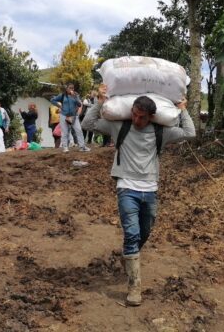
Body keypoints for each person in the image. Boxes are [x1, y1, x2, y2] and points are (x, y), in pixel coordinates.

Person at [82, 84, 196, 306]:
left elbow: (190, 134)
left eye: (141, 117)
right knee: (132, 233)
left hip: (150, 188)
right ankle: (134, 288)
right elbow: (88, 123)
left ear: (151, 117)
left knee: (145, 231)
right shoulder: (120, 127)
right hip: (126, 187)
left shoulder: (161, 131)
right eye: (133, 114)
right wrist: (100, 101)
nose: (135, 120)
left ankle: (129, 254)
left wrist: (182, 109)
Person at [50, 83, 90, 153]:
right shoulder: (62, 95)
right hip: (64, 115)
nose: (71, 89)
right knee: (65, 132)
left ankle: (82, 147)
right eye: (70, 88)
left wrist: (74, 97)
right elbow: (52, 100)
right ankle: (65, 147)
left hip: (74, 116)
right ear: (67, 89)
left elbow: (79, 104)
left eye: (73, 88)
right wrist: (59, 106)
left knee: (79, 130)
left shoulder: (75, 95)